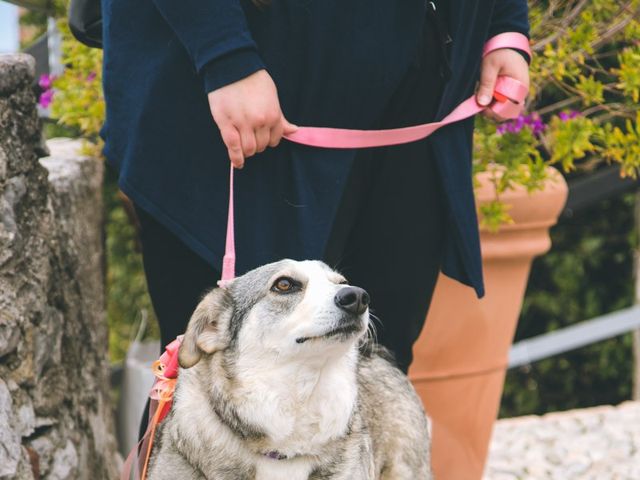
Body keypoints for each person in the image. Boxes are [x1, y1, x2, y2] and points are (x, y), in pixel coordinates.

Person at [101, 0, 530, 373]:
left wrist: (503, 25)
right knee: (215, 377)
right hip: (247, 111)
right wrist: (225, 58)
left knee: (379, 366)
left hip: (416, 113)